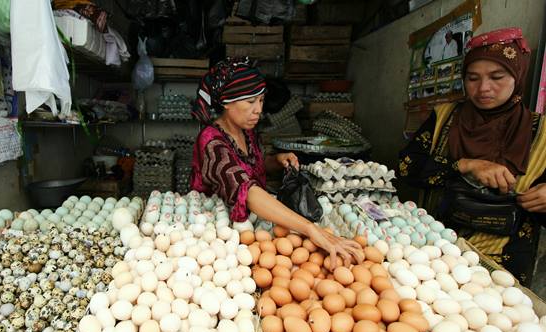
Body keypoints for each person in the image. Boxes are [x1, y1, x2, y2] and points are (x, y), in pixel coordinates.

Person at [399, 28, 546, 286]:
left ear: (518, 75)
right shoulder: (444, 117)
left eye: (497, 76)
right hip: (431, 251)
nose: (483, 88)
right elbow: (405, 167)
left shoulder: (542, 132)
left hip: (503, 263)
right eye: (472, 78)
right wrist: (464, 165)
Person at [191, 57, 363, 267]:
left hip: (249, 225)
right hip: (217, 235)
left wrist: (276, 160)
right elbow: (246, 189)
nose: (258, 110)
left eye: (261, 100)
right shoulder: (211, 140)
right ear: (226, 102)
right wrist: (310, 228)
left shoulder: (247, 132)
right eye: (250, 101)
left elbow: (253, 164)